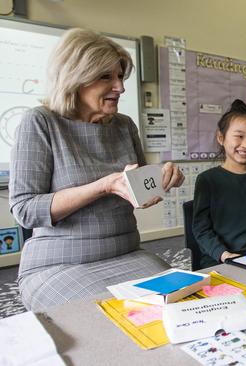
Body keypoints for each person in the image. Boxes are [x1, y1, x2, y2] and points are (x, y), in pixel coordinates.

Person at [9, 28, 185, 312]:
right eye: (106, 77)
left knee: (186, 304)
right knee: (122, 319)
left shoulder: (124, 125)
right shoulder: (40, 122)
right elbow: (25, 210)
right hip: (59, 264)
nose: (120, 87)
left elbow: (137, 188)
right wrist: (103, 185)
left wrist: (166, 178)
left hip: (128, 253)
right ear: (75, 79)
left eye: (120, 76)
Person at [192, 100, 246, 269]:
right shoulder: (207, 180)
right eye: (239, 136)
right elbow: (201, 229)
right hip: (218, 261)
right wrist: (225, 255)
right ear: (221, 138)